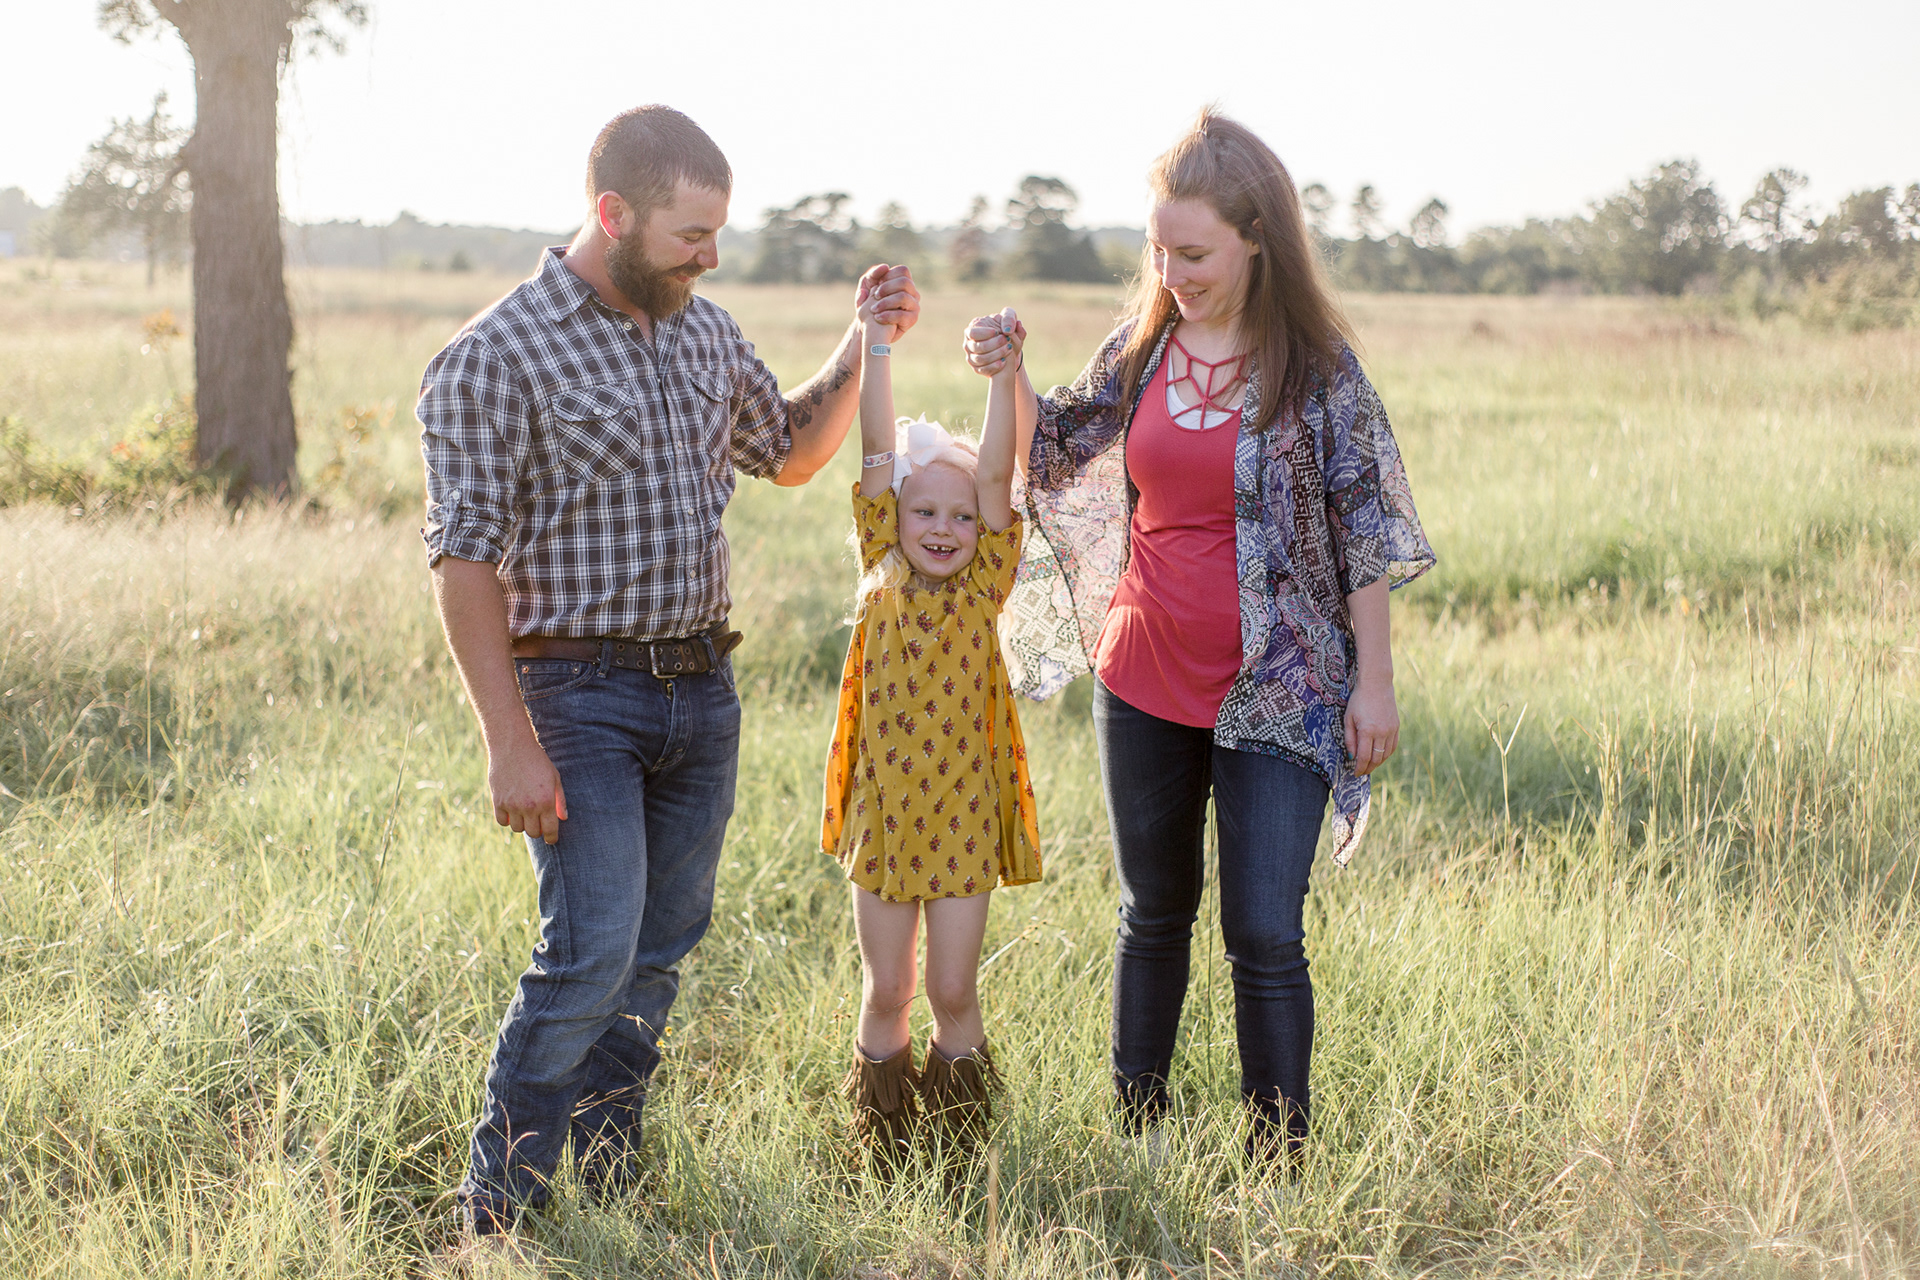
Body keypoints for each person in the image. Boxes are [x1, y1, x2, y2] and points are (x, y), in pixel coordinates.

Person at [418, 105, 921, 1238]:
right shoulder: (495, 355)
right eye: (692, 234)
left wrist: (866, 338)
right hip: (575, 697)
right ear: (613, 213)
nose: (711, 255)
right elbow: (462, 561)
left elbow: (791, 449)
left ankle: (607, 1186)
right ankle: (497, 1214)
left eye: (717, 231)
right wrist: (508, 742)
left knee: (655, 957)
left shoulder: (705, 333)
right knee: (589, 952)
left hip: (702, 693)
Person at [963, 108, 1433, 1167]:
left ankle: (1279, 1163)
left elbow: (1364, 528)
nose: (1171, 274)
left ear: (1256, 239)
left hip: (1282, 684)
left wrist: (1376, 683)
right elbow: (1055, 447)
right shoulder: (1142, 349)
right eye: (1158, 251)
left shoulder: (1318, 370)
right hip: (1143, 674)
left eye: (1194, 253)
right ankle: (1142, 1136)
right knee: (1153, 912)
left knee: (1264, 929)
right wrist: (1008, 372)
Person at [822, 303, 1042, 1176]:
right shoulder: (881, 564)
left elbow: (995, 473)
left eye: (959, 517)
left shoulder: (985, 583)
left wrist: (1002, 376)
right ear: (897, 518)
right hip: (884, 811)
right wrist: (875, 345)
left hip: (962, 815)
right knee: (889, 989)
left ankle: (957, 1161)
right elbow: (878, 449)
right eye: (925, 514)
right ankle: (881, 1153)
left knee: (952, 989)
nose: (943, 529)